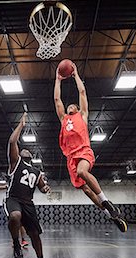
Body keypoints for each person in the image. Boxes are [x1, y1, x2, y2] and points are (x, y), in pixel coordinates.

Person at [54, 62, 128, 232]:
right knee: (85, 190)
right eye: (69, 105)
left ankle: (106, 201)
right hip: (71, 157)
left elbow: (82, 92)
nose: (70, 106)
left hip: (84, 151)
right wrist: (58, 80)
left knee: (82, 172)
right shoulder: (63, 119)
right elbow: (57, 99)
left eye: (73, 105)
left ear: (78, 108)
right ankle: (110, 214)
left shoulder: (83, 115)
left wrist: (76, 75)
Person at [3, 112, 51, 258]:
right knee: (15, 216)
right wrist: (21, 125)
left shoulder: (37, 172)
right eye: (22, 149)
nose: (24, 149)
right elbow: (12, 141)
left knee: (35, 236)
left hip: (28, 203)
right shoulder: (15, 163)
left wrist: (45, 189)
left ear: (31, 157)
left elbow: (42, 187)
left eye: (27, 150)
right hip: (13, 199)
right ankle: (16, 243)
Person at [0, 173, 29, 248]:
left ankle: (23, 240)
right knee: (14, 223)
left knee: (21, 224)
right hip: (9, 204)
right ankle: (15, 241)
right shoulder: (9, 186)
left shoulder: (20, 187)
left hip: (18, 204)